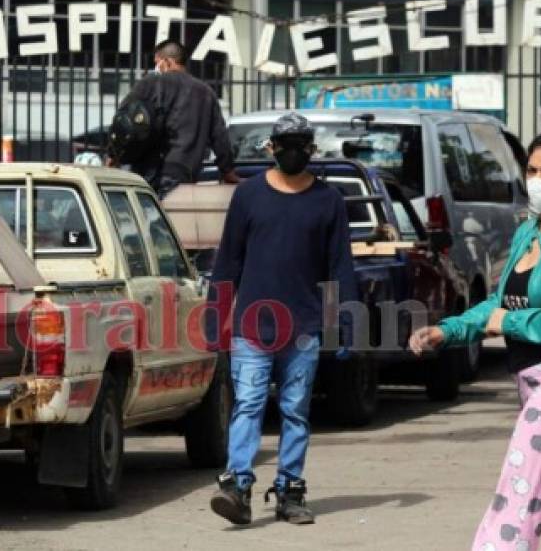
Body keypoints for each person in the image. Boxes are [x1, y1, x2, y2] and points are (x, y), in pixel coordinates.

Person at [409, 122, 541, 550]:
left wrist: (508, 324)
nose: (537, 181)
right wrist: (448, 330)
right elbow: (499, 301)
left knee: (521, 490)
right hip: (535, 379)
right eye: (532, 170)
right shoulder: (528, 232)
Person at [207, 112, 357, 526]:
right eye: (285, 143)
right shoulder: (249, 196)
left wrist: (347, 322)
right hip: (252, 330)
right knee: (249, 406)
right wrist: (214, 319)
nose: (293, 151)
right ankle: (237, 486)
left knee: (295, 411)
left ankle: (290, 491)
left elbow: (339, 268)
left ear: (311, 150)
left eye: (301, 144)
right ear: (271, 148)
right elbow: (228, 262)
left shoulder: (328, 201)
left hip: (304, 330)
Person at [107, 39, 239, 198]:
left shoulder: (151, 83)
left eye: (157, 63)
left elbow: (123, 122)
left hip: (150, 170)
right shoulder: (206, 92)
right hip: (186, 173)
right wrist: (228, 171)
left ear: (168, 62)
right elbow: (220, 137)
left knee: (149, 219)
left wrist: (112, 157)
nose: (155, 68)